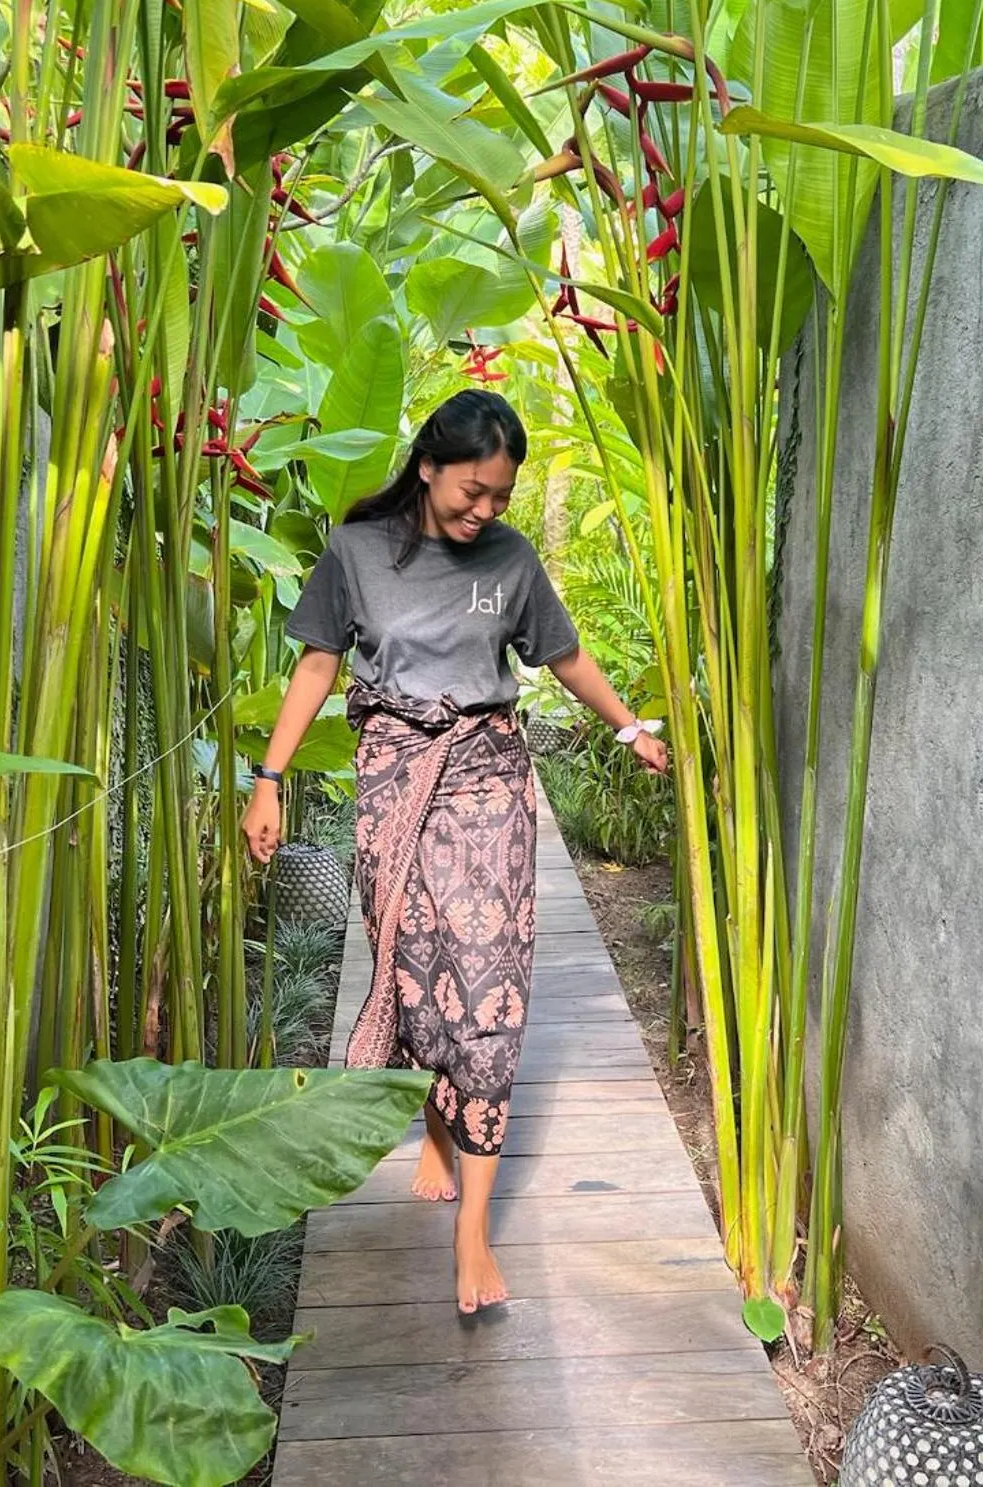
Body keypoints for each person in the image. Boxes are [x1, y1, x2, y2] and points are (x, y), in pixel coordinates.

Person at [241, 388, 669, 1315]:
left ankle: (473, 1229)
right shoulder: (357, 553)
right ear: (428, 465)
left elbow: (562, 654)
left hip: (488, 780)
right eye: (472, 491)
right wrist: (268, 777)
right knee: (413, 973)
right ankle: (436, 1127)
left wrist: (629, 726)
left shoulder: (510, 561)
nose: (485, 512)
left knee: (488, 984)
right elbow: (317, 662)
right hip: (396, 785)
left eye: (501, 498)